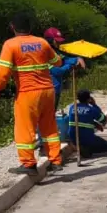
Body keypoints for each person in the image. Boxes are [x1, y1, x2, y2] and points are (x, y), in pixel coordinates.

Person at [0, 12, 64, 174]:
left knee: (24, 128)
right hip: (48, 91)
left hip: (28, 93)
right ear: (30, 27)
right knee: (49, 127)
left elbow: (3, 73)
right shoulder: (42, 42)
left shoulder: (10, 45)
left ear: (12, 27)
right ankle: (56, 160)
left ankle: (28, 164)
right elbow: (58, 62)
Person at [36, 27, 85, 156]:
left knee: (49, 117)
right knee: (44, 118)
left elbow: (64, 59)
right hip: (47, 89)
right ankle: (42, 145)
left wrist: (76, 59)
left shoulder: (55, 52)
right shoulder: (44, 53)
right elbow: (57, 70)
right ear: (50, 40)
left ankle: (46, 144)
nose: (59, 43)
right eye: (56, 40)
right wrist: (71, 65)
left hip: (54, 89)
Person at [66, 89, 107, 158]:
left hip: (73, 137)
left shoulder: (72, 107)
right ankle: (86, 149)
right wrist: (94, 105)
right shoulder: (91, 109)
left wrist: (95, 124)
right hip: (87, 137)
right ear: (89, 99)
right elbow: (103, 119)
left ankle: (80, 147)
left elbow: (82, 118)